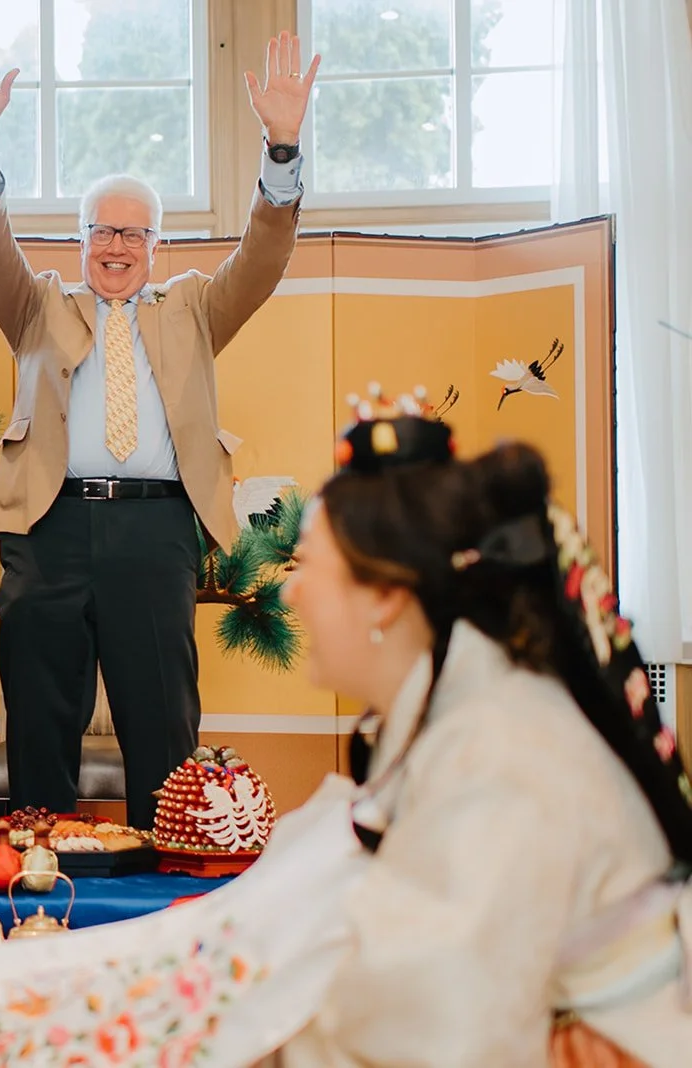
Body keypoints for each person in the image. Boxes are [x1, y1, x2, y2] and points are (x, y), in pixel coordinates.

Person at [0, 29, 317, 828]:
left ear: (157, 244)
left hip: (157, 531)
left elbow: (262, 258)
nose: (116, 247)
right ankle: (39, 869)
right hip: (49, 527)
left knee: (162, 719)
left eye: (133, 233)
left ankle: (164, 874)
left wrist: (282, 149)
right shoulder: (37, 305)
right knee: (39, 718)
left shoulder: (194, 307)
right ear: (81, 240)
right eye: (102, 231)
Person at [263, 386, 692, 1066]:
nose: (290, 590)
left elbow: (433, 1024)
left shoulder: (500, 750)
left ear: (385, 595)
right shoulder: (462, 710)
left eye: (306, 564)